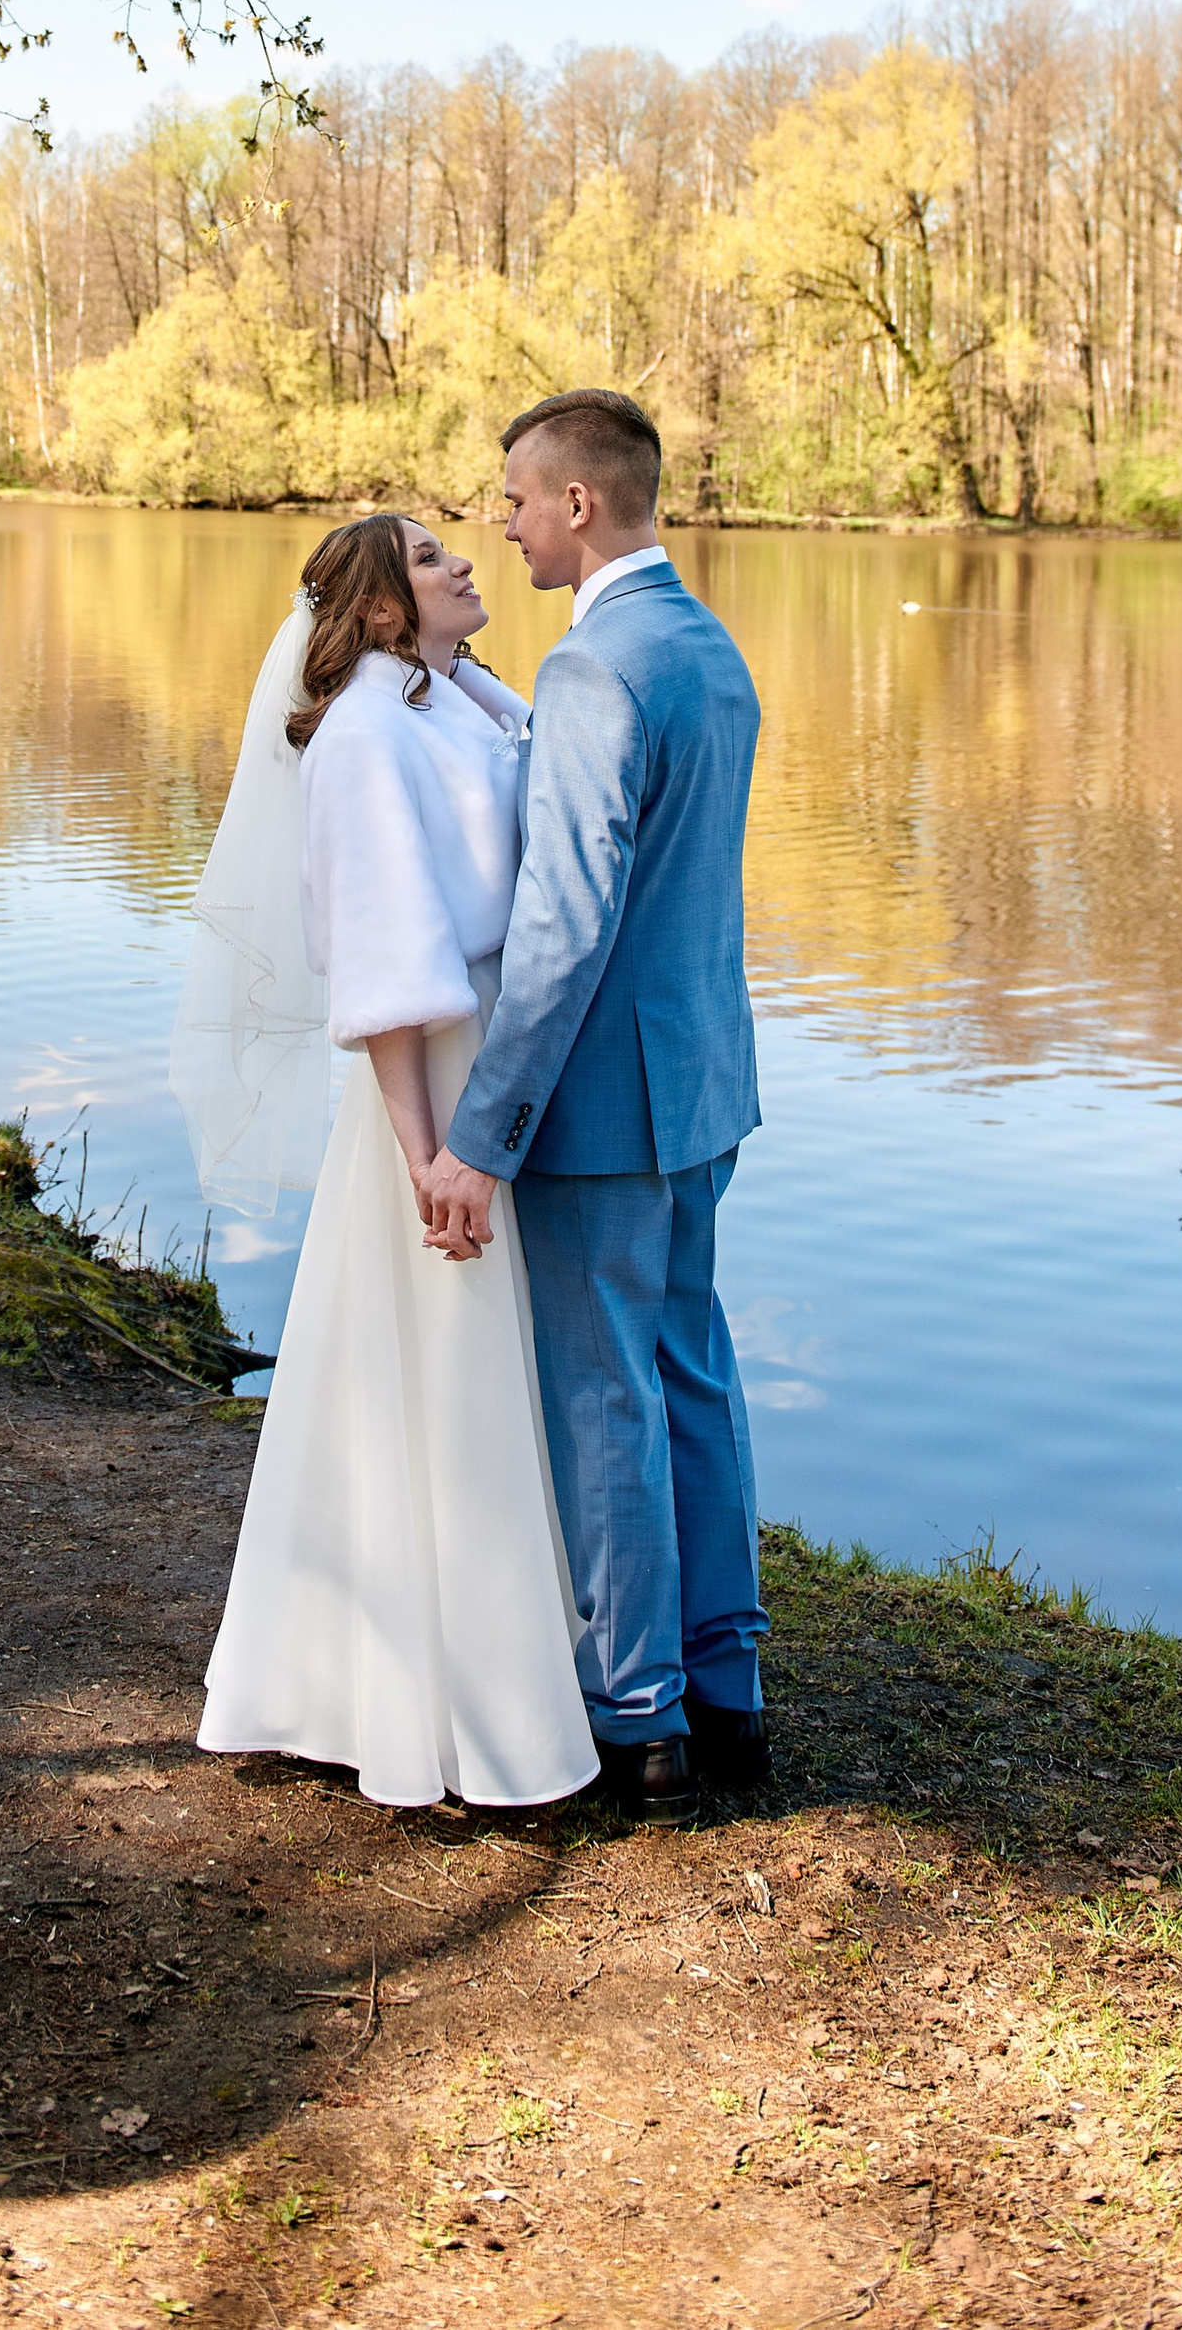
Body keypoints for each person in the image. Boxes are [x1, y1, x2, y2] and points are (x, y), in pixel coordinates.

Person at [177, 512, 598, 1812]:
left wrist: (457, 663)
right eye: (429, 560)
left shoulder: (440, 704)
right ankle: (442, 1712)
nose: (467, 561)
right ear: (374, 612)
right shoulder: (362, 737)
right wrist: (430, 1155)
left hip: (483, 1069)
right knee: (435, 1374)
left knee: (462, 1375)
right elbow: (380, 964)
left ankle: (479, 1680)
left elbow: (531, 765)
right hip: (434, 1094)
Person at [421, 388, 769, 1824]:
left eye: (514, 499)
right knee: (692, 1369)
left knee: (602, 1395)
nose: (499, 524)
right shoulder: (709, 647)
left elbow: (560, 933)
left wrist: (479, 1137)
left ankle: (637, 1715)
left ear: (578, 503)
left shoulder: (595, 674)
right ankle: (726, 1678)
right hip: (704, 1087)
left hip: (609, 1110)